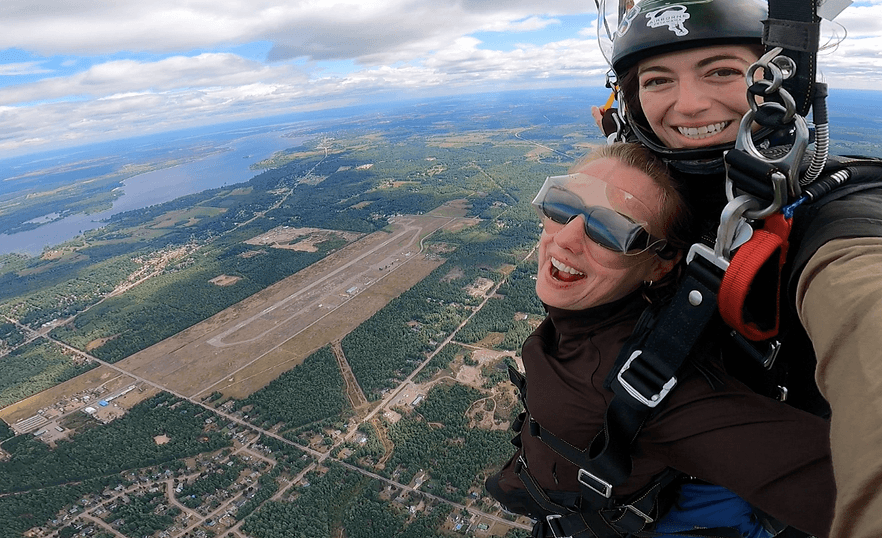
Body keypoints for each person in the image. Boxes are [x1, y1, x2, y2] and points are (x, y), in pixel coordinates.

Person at [591, 1, 882, 536]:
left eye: (722, 71)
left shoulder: (837, 212)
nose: (690, 104)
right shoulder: (648, 197)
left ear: (779, 84)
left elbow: (863, 301)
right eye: (657, 80)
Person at [485, 142, 835, 538]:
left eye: (611, 230)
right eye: (562, 207)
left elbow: (836, 481)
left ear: (660, 262)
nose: (565, 239)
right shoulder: (591, 314)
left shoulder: (655, 386)